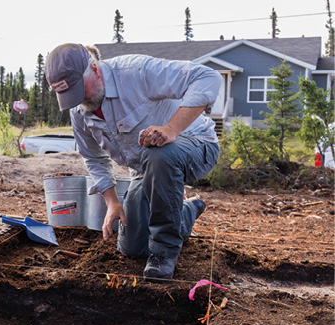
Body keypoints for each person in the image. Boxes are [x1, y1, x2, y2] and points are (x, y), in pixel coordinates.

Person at [45, 43, 221, 279]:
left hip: (196, 145)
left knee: (158, 154)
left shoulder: (136, 72)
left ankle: (164, 253)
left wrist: (171, 129)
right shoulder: (79, 111)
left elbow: (208, 77)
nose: (78, 99)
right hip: (145, 168)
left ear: (95, 69)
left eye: (79, 88)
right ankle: (186, 211)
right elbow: (93, 156)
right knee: (132, 247)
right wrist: (112, 203)